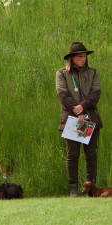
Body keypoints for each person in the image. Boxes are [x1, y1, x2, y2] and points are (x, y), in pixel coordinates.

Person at [56, 42, 102, 197]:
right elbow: (63, 95)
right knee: (73, 154)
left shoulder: (93, 73)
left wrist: (82, 106)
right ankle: (73, 189)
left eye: (85, 56)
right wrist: (77, 112)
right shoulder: (62, 73)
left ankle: (92, 188)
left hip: (90, 118)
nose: (83, 59)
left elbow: (95, 94)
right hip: (71, 120)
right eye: (80, 56)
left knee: (91, 154)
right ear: (71, 58)